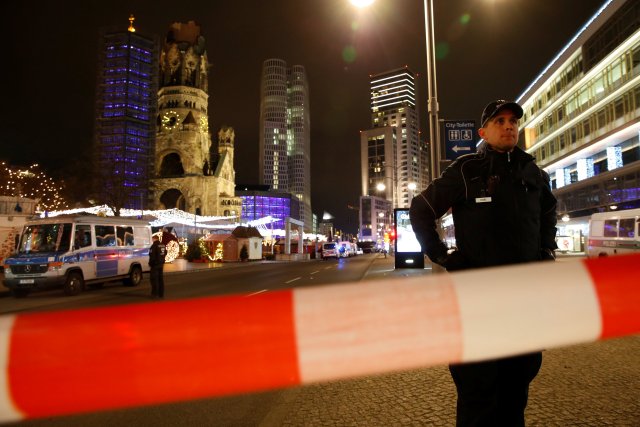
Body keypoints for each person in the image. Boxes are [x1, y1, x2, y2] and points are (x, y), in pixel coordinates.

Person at [409, 99, 558, 426]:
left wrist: (547, 250)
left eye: (513, 122)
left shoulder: (533, 172)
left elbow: (549, 211)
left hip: (524, 306)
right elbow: (420, 210)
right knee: (478, 396)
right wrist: (443, 254)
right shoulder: (466, 170)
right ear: (483, 131)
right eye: (500, 121)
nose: (509, 126)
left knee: (516, 393)